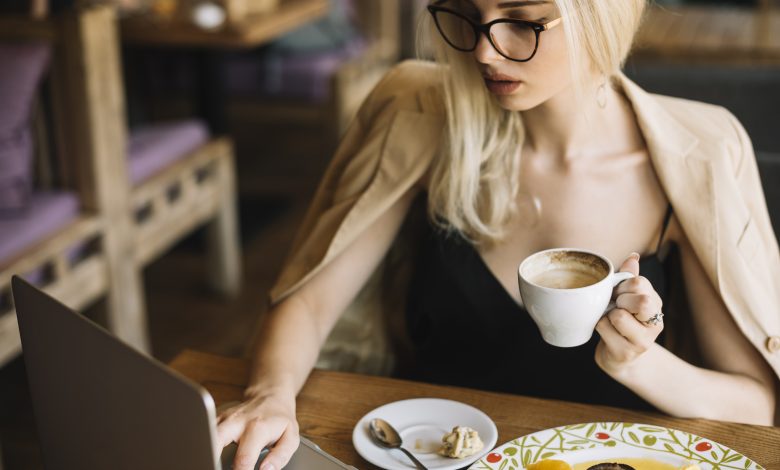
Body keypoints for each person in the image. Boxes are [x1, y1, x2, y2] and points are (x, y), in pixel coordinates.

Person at [216, 1, 780, 469]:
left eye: (522, 21)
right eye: (467, 13)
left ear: (598, 15)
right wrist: (269, 395)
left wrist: (639, 362)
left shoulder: (698, 155)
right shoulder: (418, 114)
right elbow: (311, 300)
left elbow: (755, 407)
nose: (483, 50)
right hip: (426, 454)